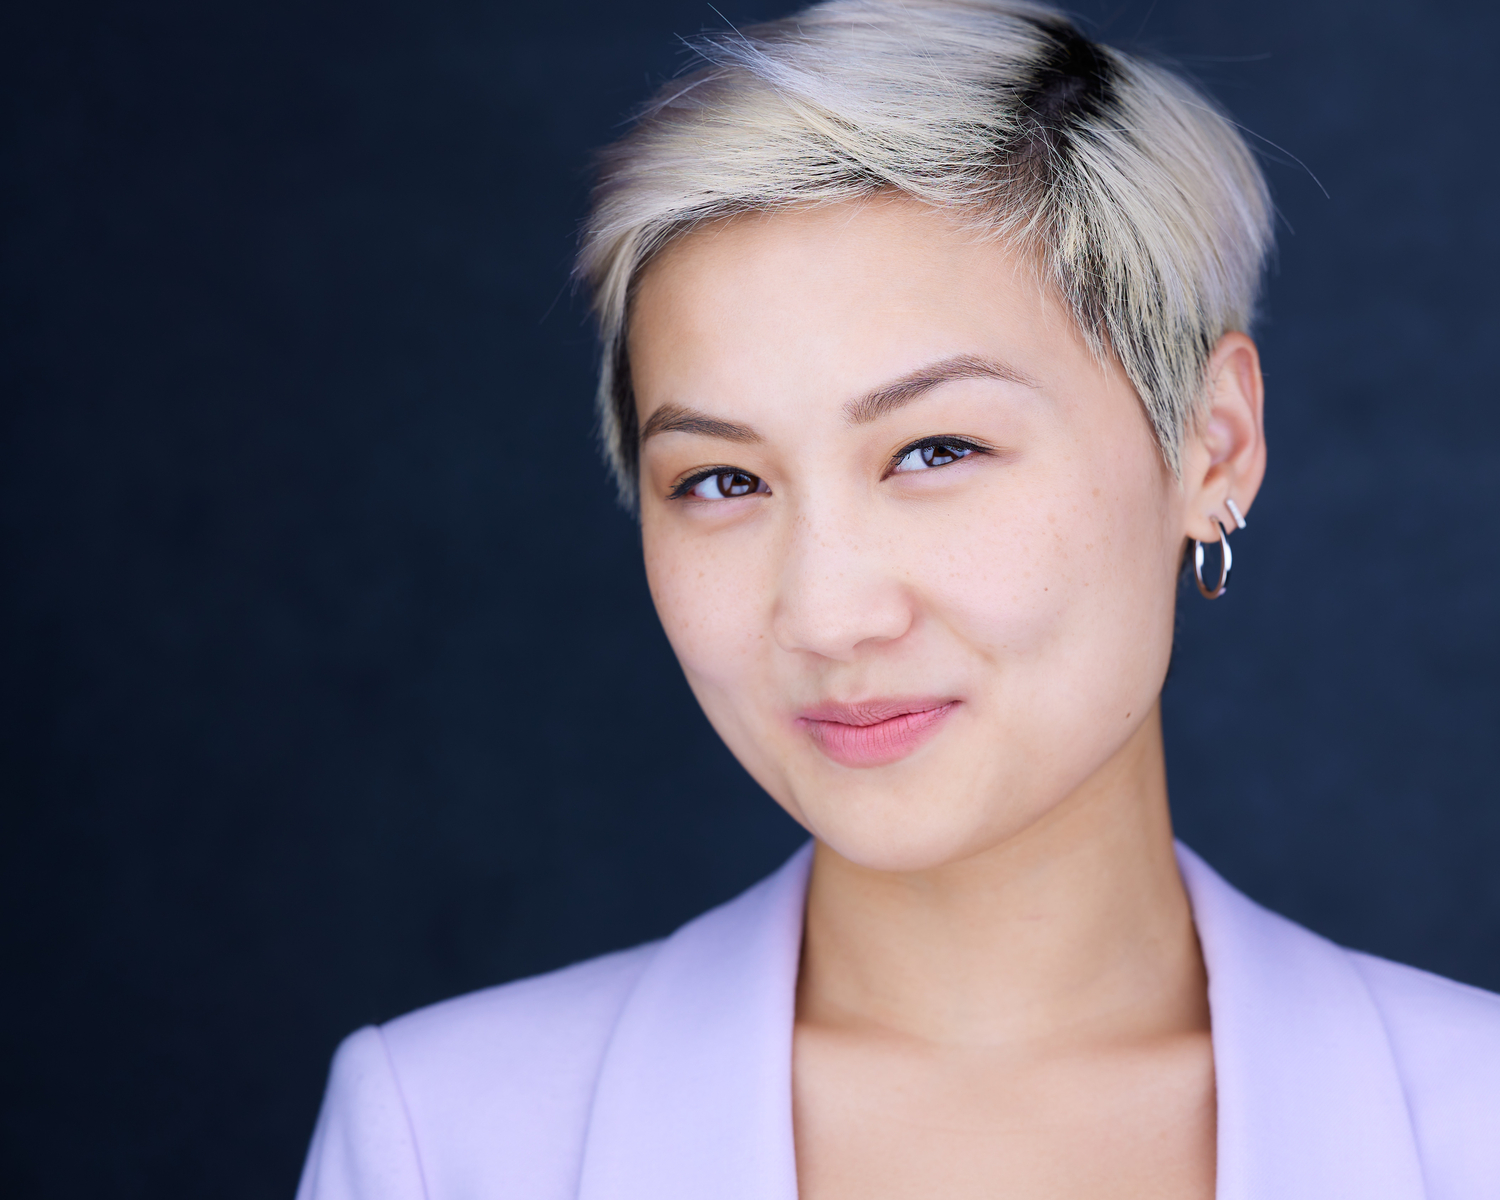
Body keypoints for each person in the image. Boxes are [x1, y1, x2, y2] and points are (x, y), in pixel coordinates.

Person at [296, 2, 1500, 1197]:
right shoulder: (442, 1144)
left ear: (1212, 443)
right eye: (722, 481)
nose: (826, 616)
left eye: (936, 451)